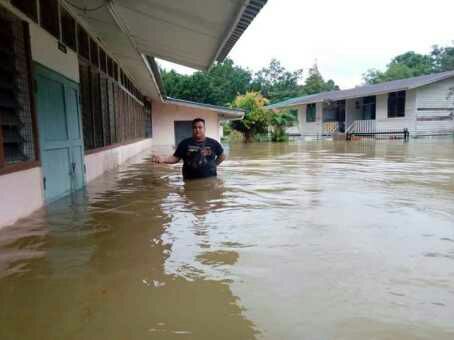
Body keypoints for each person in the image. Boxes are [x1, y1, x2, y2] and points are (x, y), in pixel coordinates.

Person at [152, 118, 225, 180]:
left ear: (204, 129)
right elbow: (175, 158)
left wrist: (213, 165)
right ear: (192, 129)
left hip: (209, 180)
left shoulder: (213, 143)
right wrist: (163, 159)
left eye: (200, 127)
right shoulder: (185, 143)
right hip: (189, 180)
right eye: (195, 127)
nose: (197, 130)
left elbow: (222, 156)